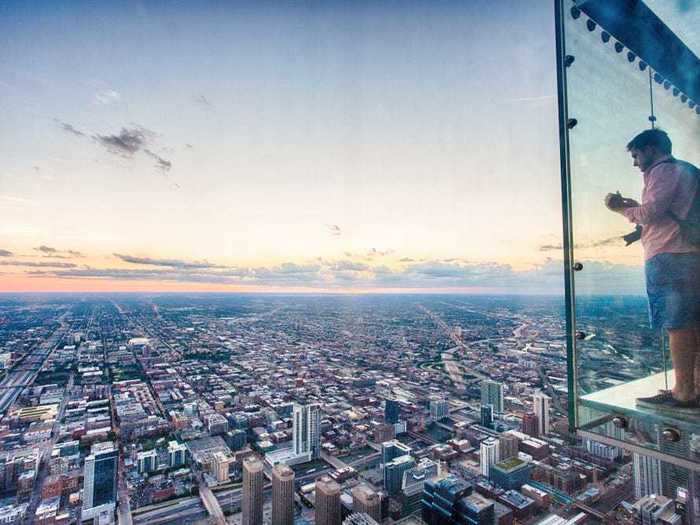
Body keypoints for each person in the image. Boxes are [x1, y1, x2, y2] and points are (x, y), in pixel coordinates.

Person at [605, 128, 700, 411]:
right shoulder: (688, 172)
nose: (635, 163)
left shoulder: (662, 171)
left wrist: (620, 209)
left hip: (670, 256)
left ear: (650, 148)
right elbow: (664, 212)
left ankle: (683, 392)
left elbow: (652, 214)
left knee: (677, 325)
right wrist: (637, 209)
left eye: (636, 155)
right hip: (690, 253)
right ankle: (694, 385)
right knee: (693, 323)